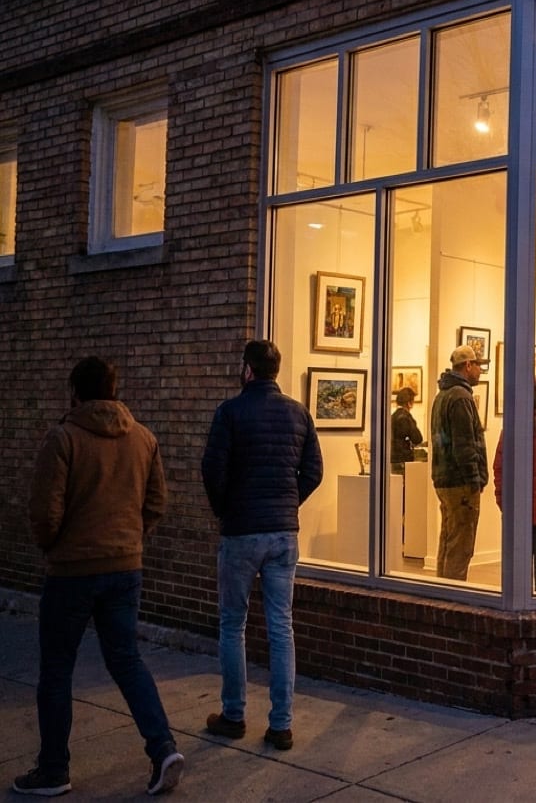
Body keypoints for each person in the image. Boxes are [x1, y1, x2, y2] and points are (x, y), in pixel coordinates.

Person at [14, 357, 185, 797]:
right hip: (125, 568)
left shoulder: (63, 438)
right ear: (114, 389)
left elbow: (44, 510)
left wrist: (53, 546)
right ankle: (163, 748)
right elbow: (157, 502)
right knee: (127, 660)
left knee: (57, 670)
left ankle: (54, 770)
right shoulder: (143, 438)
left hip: (72, 571)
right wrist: (131, 538)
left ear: (75, 391)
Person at [201, 340, 323, 752]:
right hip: (283, 532)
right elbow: (313, 471)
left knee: (232, 624)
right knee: (281, 626)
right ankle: (281, 725)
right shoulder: (298, 413)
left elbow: (212, 469)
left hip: (241, 531)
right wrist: (288, 502)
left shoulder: (230, 412)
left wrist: (226, 509)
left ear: (248, 370)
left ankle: (234, 715)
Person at [494, 377, 536, 591]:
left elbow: (499, 466)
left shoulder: (512, 427)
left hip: (518, 506)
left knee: (517, 573)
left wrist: (503, 500)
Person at [430, 344, 489, 580]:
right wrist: (474, 480)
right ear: (468, 366)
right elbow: (464, 444)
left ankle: (443, 591)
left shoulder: (443, 395)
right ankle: (454, 593)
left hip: (445, 480)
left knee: (448, 539)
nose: (480, 371)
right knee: (461, 545)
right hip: (460, 483)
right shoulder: (461, 397)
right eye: (478, 366)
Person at [390, 386, 424, 474]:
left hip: (392, 458)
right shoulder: (406, 417)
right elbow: (417, 438)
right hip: (404, 459)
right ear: (409, 403)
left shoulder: (392, 416)